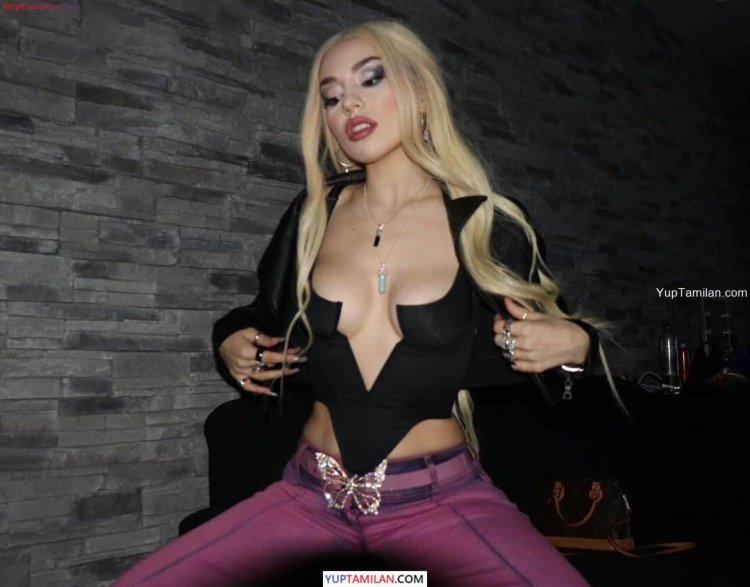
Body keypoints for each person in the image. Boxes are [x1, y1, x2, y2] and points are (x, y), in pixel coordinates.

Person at [115, 20, 599, 587]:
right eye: (332, 96)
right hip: (307, 497)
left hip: (439, 501)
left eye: (371, 79)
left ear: (421, 94)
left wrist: (575, 346)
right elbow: (262, 316)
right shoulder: (312, 215)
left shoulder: (488, 221)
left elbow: (558, 346)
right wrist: (231, 341)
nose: (349, 104)